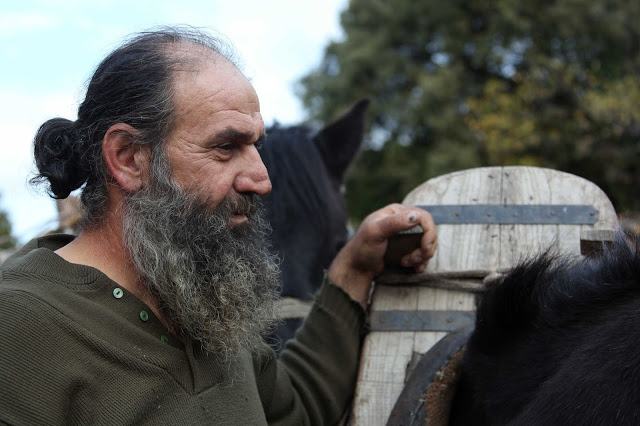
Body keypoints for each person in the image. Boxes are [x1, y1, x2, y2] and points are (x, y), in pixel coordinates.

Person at [0, 27, 437, 424]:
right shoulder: (18, 329)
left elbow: (292, 412)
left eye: (255, 145)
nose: (263, 181)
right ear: (129, 158)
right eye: (226, 146)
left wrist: (353, 272)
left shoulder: (202, 306)